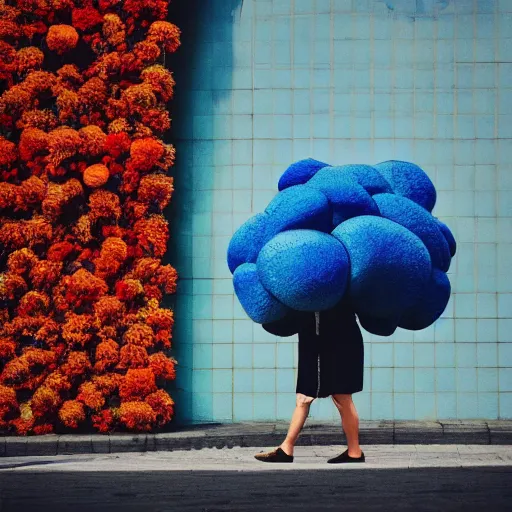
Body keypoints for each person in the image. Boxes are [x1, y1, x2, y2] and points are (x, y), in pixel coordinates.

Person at [254, 297, 365, 464]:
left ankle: (354, 452)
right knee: (306, 397)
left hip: (337, 341)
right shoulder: (313, 285)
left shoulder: (335, 282)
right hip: (315, 342)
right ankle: (286, 448)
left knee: (341, 396)